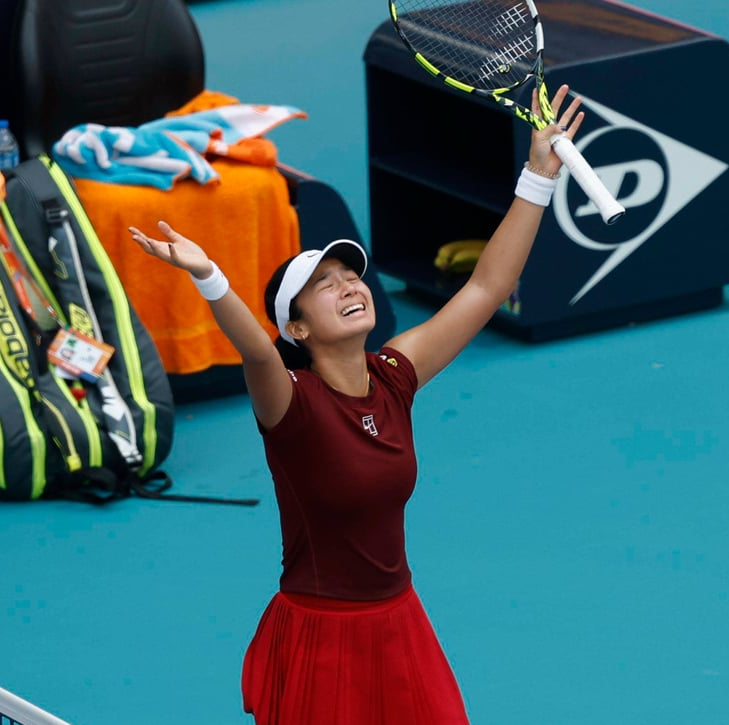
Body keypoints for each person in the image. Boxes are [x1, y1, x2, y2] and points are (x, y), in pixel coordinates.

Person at [129, 84, 585, 725]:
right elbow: (258, 353)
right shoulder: (290, 405)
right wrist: (209, 276)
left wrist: (538, 175)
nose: (348, 286)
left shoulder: (396, 375)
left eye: (350, 276)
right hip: (323, 637)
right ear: (298, 329)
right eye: (322, 286)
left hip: (400, 623)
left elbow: (488, 286)